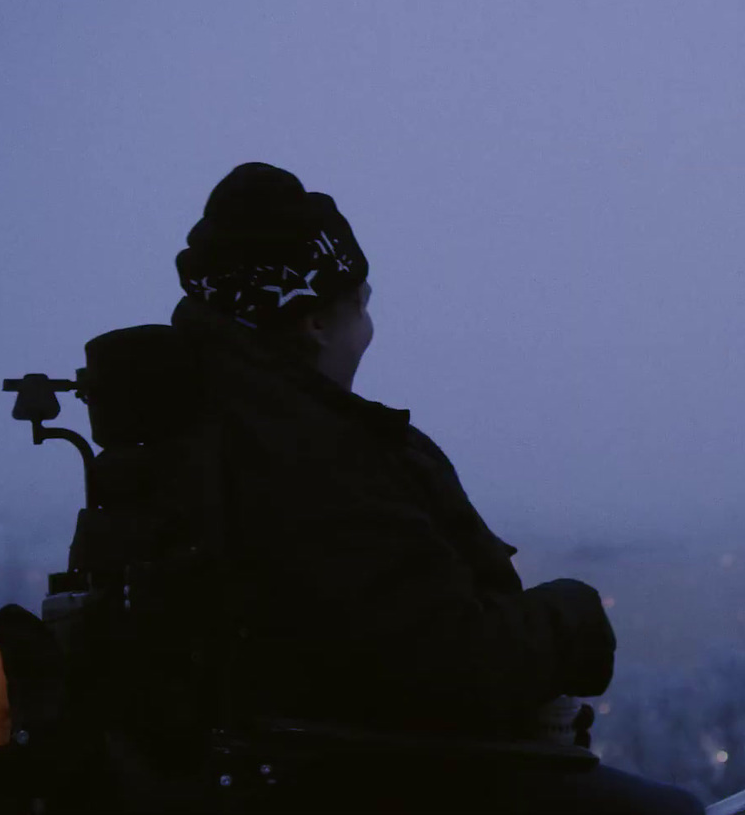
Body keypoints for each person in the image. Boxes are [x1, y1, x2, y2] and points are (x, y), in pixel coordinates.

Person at [164, 162, 701, 813]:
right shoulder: (312, 457)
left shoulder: (219, 426)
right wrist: (573, 620)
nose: (369, 328)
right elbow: (444, 664)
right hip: (380, 776)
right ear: (314, 322)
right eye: (361, 302)